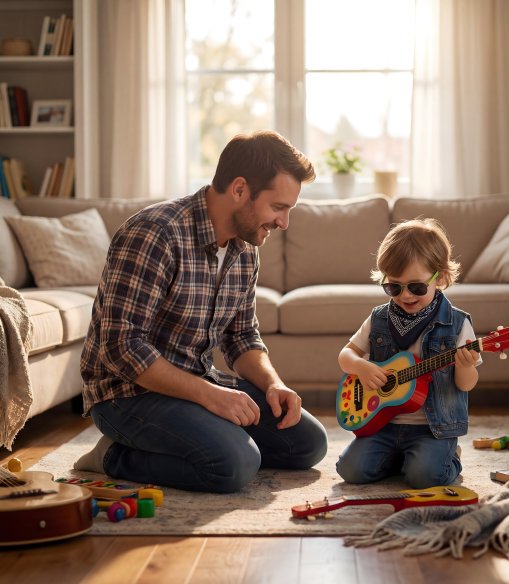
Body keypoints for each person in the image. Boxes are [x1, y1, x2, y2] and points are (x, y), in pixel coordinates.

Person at [75, 130, 328, 493]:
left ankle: (193, 438)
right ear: (239, 190)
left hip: (196, 382)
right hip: (127, 395)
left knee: (307, 443)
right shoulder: (155, 232)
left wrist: (274, 384)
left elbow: (241, 337)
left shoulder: (246, 248)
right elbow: (121, 346)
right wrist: (211, 397)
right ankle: (113, 456)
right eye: (278, 207)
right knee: (235, 464)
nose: (284, 223)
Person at [336, 218, 481, 489]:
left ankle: (450, 458)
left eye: (416, 287)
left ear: (442, 277)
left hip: (432, 429)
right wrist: (362, 367)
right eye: (394, 287)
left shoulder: (458, 324)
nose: (405, 295)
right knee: (350, 471)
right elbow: (346, 355)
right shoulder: (379, 318)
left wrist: (465, 365)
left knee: (424, 478)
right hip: (383, 424)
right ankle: (401, 458)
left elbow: (465, 385)